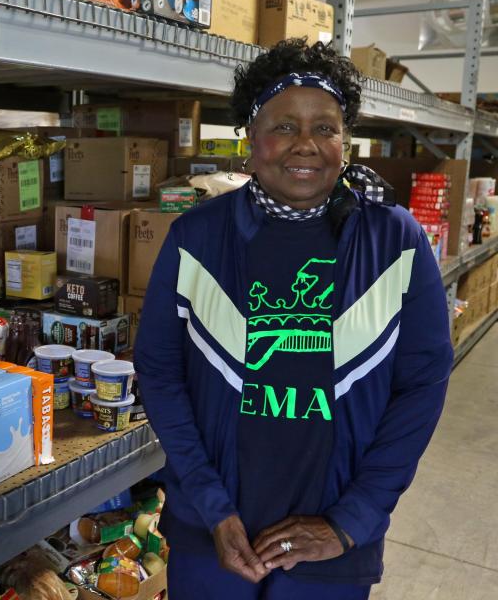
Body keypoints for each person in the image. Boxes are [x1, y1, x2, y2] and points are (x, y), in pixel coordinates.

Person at [135, 38, 453, 599]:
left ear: (346, 142)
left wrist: (351, 521)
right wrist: (213, 509)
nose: (305, 145)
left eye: (325, 128)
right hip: (212, 536)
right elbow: (160, 372)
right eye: (284, 126)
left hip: (330, 551)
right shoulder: (197, 238)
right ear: (251, 138)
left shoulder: (395, 241)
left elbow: (421, 385)